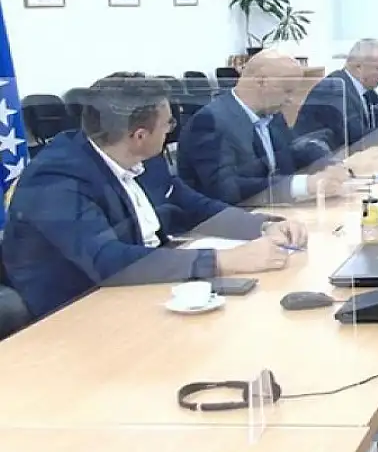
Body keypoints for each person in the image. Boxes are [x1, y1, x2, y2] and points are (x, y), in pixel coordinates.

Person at [1, 73, 307, 321]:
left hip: (140, 291)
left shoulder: (141, 156)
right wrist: (223, 260)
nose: (171, 130)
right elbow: (108, 261)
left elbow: (192, 206)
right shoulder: (56, 179)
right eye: (168, 124)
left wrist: (262, 226)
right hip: (74, 312)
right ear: (139, 136)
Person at [178, 50, 348, 206]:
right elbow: (226, 189)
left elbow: (291, 152)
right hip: (228, 220)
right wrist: (303, 185)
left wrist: (327, 163)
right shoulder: (209, 122)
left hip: (273, 209)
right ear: (261, 82)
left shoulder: (272, 113)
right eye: (287, 91)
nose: (291, 100)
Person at [294, 39, 378, 153]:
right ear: (358, 67)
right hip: (318, 161)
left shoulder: (366, 91)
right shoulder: (335, 90)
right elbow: (358, 138)